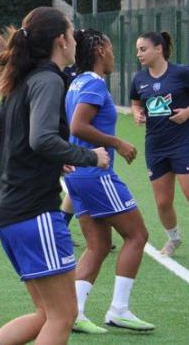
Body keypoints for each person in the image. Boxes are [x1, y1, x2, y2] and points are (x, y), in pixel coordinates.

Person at [0, 7, 109, 345]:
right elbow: (42, 139)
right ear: (61, 40)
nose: (76, 39)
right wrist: (89, 156)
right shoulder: (48, 79)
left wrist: (49, 161)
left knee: (45, 315)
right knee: (63, 316)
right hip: (36, 215)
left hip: (10, 215)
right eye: (72, 31)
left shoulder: (24, 80)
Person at [63, 29, 154, 334]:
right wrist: (117, 142)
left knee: (99, 245)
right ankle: (119, 309)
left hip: (78, 175)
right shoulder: (92, 84)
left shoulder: (77, 82)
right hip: (95, 174)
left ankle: (74, 312)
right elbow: (78, 125)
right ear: (100, 50)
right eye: (112, 48)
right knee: (138, 235)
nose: (115, 54)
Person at [130, 31, 189, 257]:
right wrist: (136, 113)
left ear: (159, 49)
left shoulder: (182, 73)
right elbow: (136, 103)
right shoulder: (139, 79)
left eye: (143, 49)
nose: (139, 54)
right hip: (155, 146)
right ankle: (174, 239)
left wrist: (187, 113)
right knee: (163, 202)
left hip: (183, 143)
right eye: (137, 50)